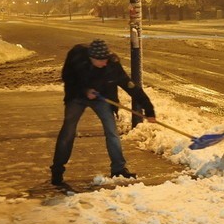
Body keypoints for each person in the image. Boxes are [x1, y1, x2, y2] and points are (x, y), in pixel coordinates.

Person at [50, 39, 157, 190]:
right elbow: (68, 78)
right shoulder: (77, 57)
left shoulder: (112, 64)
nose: (105, 63)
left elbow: (131, 86)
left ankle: (119, 169)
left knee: (112, 131)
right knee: (68, 130)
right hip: (77, 96)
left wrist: (149, 109)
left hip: (102, 97)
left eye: (106, 59)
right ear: (90, 58)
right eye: (101, 60)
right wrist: (85, 91)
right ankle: (57, 169)